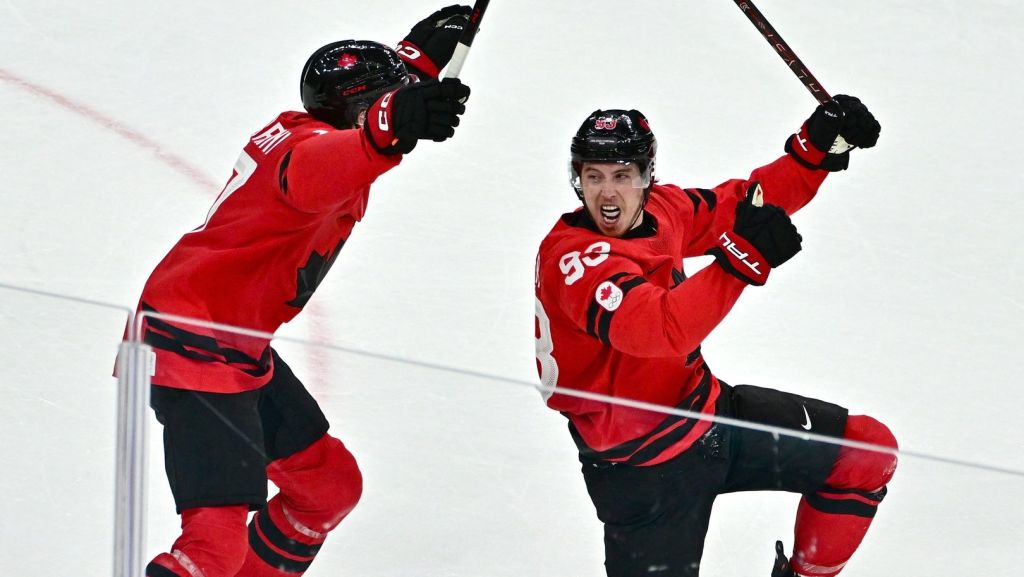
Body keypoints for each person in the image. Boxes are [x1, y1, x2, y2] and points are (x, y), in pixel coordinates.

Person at [131, 6, 472, 577]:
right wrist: (391, 124)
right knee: (212, 549)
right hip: (192, 347)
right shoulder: (309, 153)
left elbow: (371, 105)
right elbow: (326, 164)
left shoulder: (313, 119)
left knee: (328, 487)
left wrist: (419, 57)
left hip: (236, 345)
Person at [533, 101, 897, 577]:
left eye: (622, 175)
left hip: (711, 418)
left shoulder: (665, 210)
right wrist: (739, 262)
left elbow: (750, 202)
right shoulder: (573, 259)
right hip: (642, 471)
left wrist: (812, 151)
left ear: (647, 176)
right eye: (593, 175)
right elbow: (658, 330)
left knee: (866, 454)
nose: (606, 192)